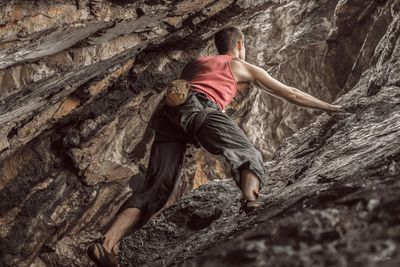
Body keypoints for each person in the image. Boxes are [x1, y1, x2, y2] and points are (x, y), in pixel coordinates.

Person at [87, 26, 342, 267]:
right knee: (247, 153)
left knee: (155, 189)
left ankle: (107, 243)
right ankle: (252, 200)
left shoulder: (195, 64)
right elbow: (291, 93)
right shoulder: (239, 65)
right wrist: (329, 107)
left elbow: (179, 94)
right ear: (240, 45)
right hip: (200, 109)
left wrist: (149, 139)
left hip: (169, 117)